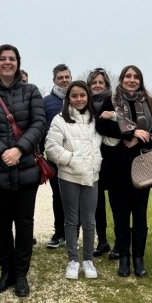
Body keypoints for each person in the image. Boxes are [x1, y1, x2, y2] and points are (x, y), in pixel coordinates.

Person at [0, 44, 45, 297]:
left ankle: (21, 273)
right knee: (2, 224)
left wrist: (19, 150)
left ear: (18, 63)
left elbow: (38, 123)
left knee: (25, 224)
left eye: (11, 59)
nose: (7, 62)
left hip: (26, 169)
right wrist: (3, 151)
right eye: (2, 59)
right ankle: (6, 271)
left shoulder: (31, 91)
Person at [96, 65, 152, 277]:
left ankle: (138, 259)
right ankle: (123, 258)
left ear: (140, 80)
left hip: (143, 167)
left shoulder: (150, 103)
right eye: (128, 76)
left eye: (136, 77)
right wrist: (131, 133)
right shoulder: (111, 101)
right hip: (116, 169)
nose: (132, 80)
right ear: (122, 79)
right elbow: (101, 126)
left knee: (140, 216)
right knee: (121, 216)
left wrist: (139, 140)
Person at [45, 81, 103, 279]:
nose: (79, 99)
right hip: (69, 176)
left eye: (82, 95)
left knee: (89, 220)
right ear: (68, 99)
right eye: (74, 96)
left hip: (91, 176)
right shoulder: (60, 119)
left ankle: (88, 260)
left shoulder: (96, 119)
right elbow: (51, 148)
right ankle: (73, 260)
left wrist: (114, 119)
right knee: (71, 220)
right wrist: (72, 160)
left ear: (88, 96)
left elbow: (110, 139)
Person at [86, 68, 115, 258]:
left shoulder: (114, 102)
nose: (97, 85)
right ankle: (102, 240)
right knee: (97, 202)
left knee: (116, 201)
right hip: (92, 157)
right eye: (94, 83)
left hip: (112, 156)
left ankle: (120, 243)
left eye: (100, 82)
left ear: (106, 85)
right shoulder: (85, 104)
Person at [43, 64, 73, 249]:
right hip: (54, 157)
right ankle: (59, 233)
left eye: (67, 77)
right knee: (58, 196)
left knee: (75, 197)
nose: (64, 80)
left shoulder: (78, 98)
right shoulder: (47, 101)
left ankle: (72, 234)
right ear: (54, 80)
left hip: (75, 156)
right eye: (60, 77)